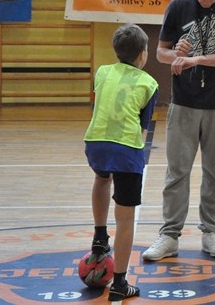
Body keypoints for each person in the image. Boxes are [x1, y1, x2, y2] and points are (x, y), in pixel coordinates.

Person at [143, 0, 215, 261]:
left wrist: (196, 59)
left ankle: (210, 231)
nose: (208, 2)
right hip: (183, 103)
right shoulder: (177, 7)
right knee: (177, 172)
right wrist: (176, 54)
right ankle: (169, 235)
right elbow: (161, 53)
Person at [84, 23, 159, 302]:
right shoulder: (149, 83)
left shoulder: (102, 72)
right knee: (125, 217)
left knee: (101, 179)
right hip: (126, 147)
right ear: (143, 54)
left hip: (95, 142)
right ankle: (119, 282)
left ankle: (99, 237)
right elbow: (143, 128)